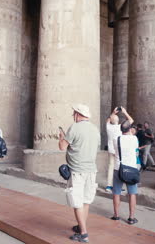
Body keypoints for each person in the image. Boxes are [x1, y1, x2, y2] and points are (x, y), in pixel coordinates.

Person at [59, 104, 101, 243]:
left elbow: (62, 147)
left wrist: (61, 137)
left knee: (77, 202)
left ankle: (83, 234)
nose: (73, 116)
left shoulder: (74, 127)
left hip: (77, 170)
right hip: (91, 170)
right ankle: (81, 225)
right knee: (86, 201)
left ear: (77, 114)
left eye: (73, 114)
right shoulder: (95, 129)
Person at [111, 120, 139, 225]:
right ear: (130, 129)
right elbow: (136, 150)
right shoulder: (134, 139)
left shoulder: (116, 139)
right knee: (132, 193)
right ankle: (131, 218)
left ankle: (116, 215)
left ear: (121, 129)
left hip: (119, 168)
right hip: (131, 168)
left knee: (116, 193)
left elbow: (115, 151)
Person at [105, 107, 133, 193]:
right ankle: (118, 186)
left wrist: (113, 113)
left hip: (111, 149)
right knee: (118, 167)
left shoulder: (108, 127)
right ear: (118, 121)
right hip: (118, 149)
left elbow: (108, 120)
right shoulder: (120, 127)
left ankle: (109, 186)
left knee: (111, 167)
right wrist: (125, 112)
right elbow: (131, 120)